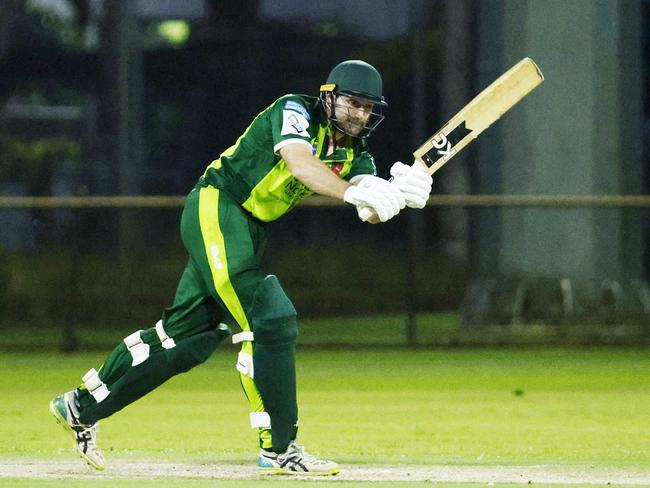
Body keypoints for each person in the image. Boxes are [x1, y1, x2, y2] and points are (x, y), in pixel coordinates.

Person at [49, 59, 433, 476]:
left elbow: (368, 210)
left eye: (367, 107)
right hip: (217, 204)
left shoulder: (355, 154)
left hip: (249, 228)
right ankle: (280, 448)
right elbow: (301, 164)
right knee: (269, 313)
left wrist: (398, 196)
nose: (358, 114)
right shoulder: (295, 109)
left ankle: (79, 406)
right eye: (352, 103)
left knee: (186, 339)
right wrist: (355, 193)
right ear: (329, 96)